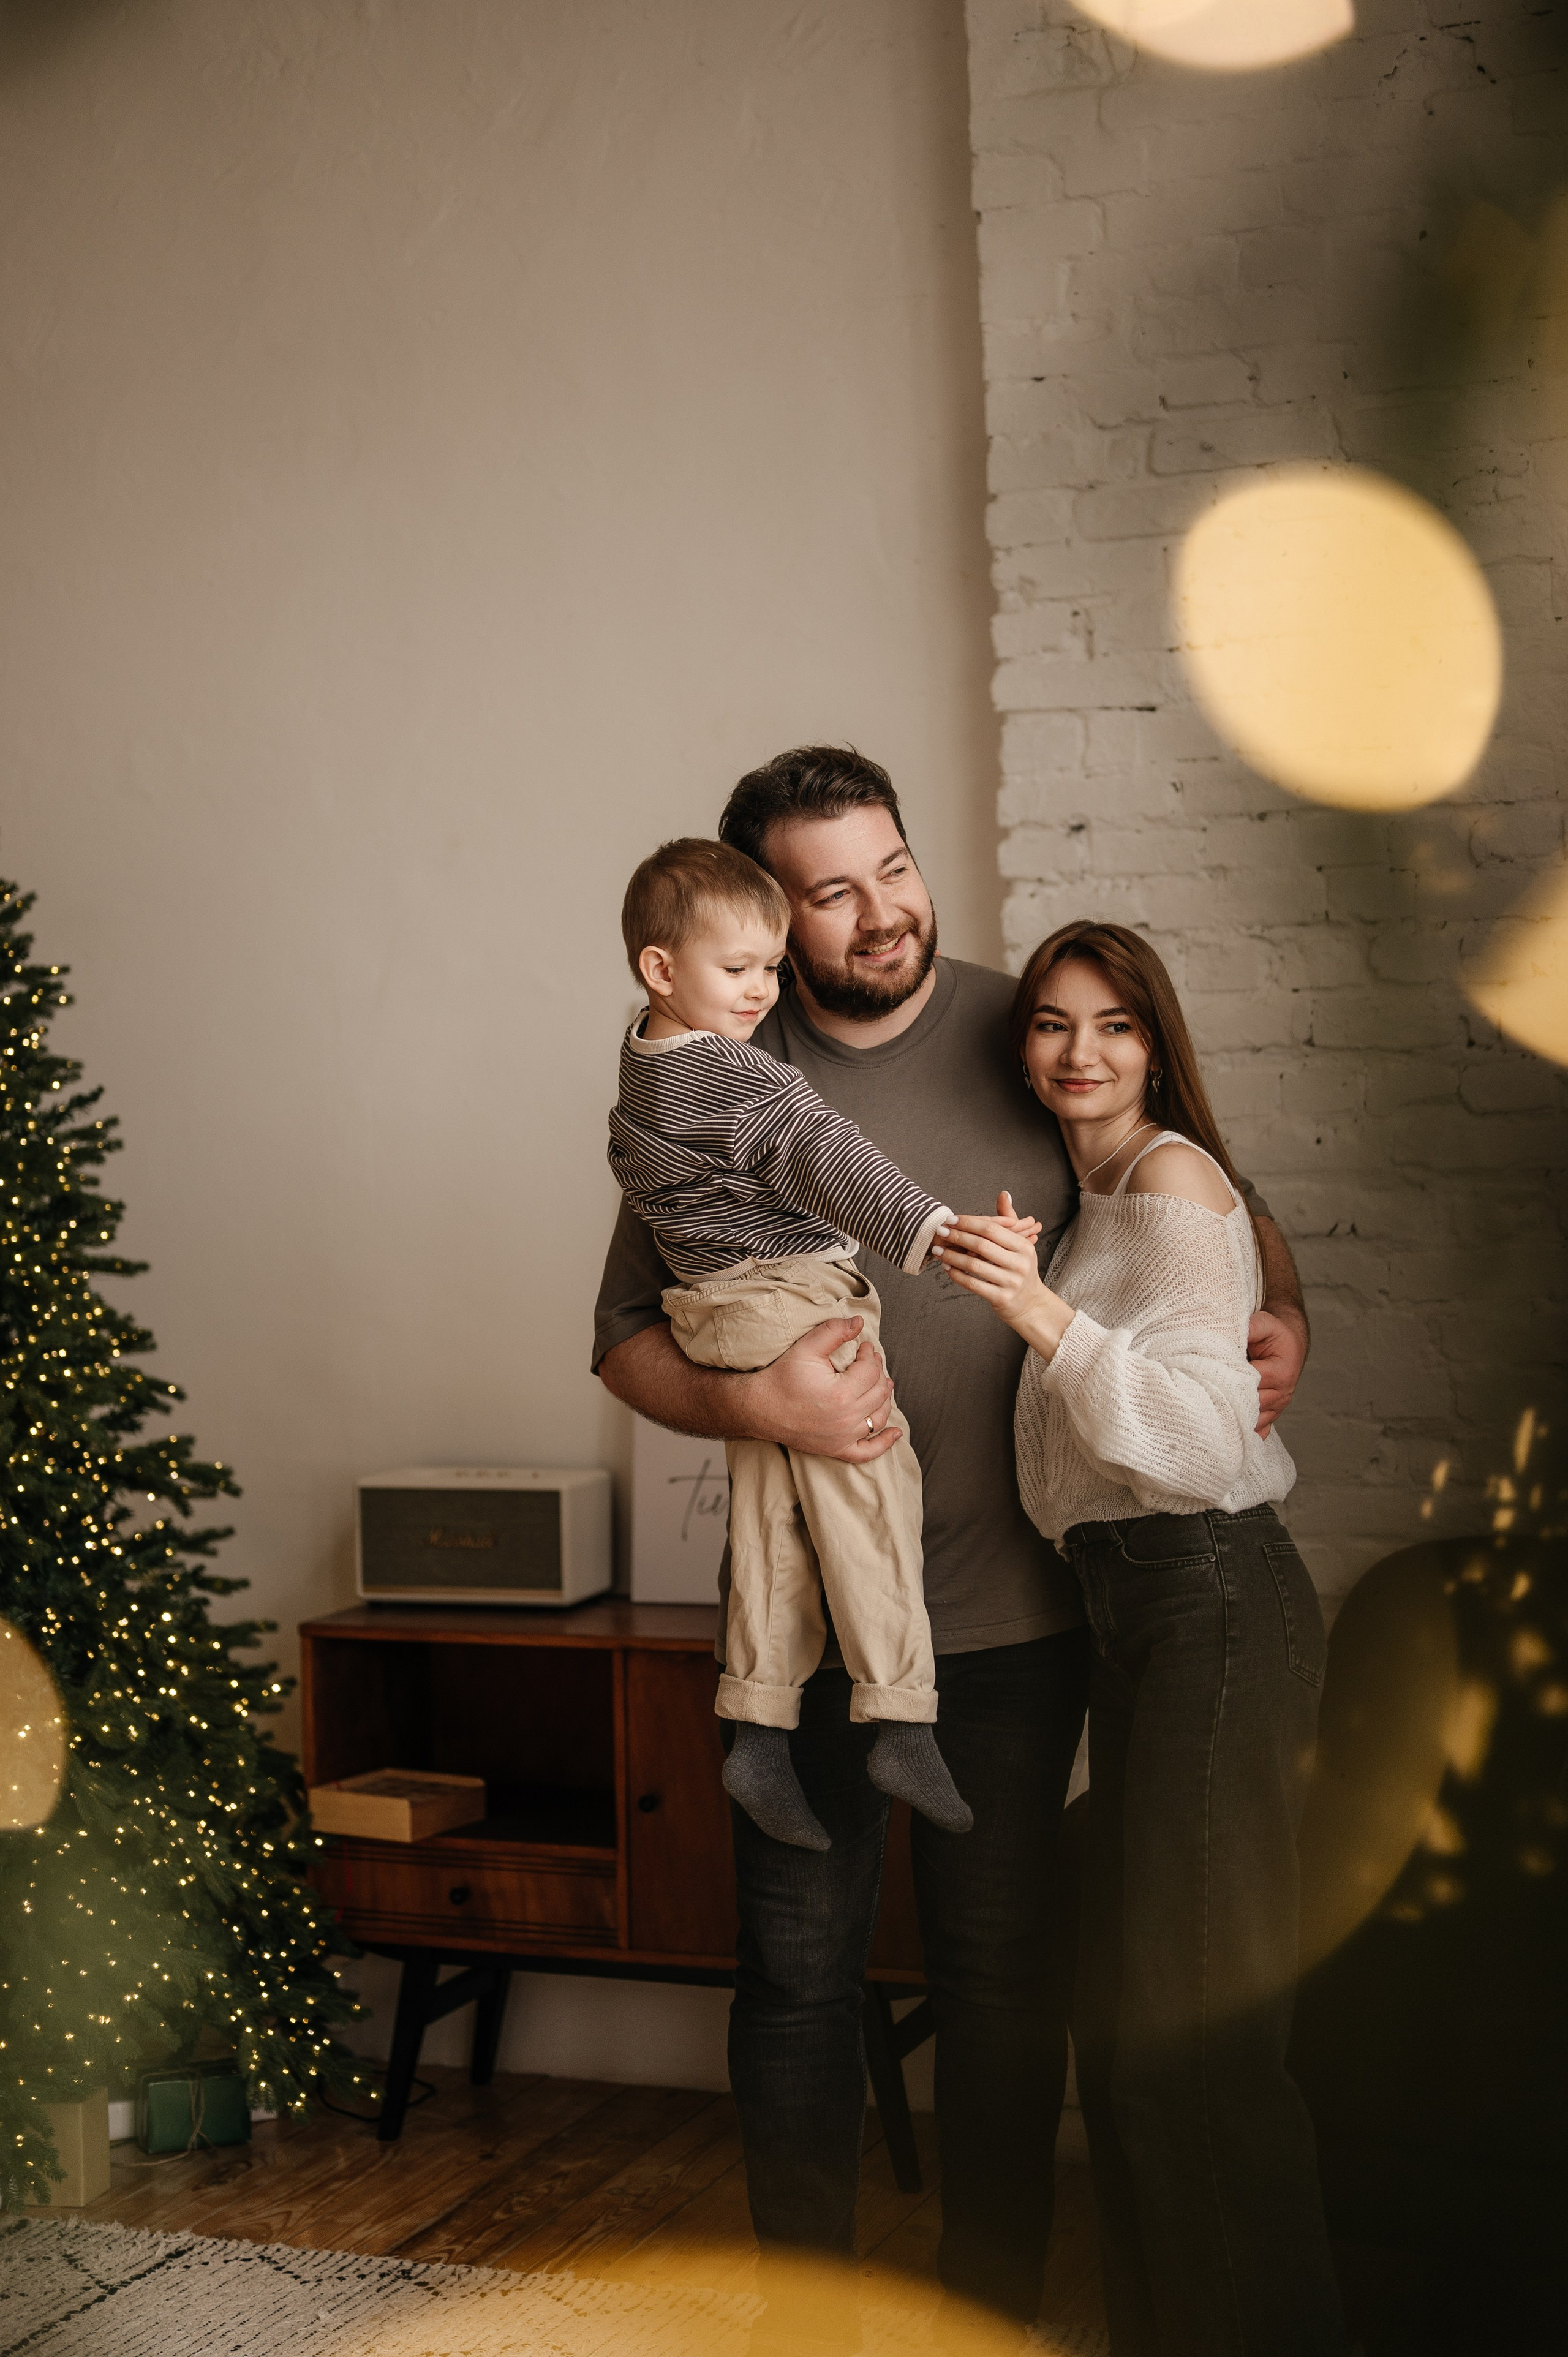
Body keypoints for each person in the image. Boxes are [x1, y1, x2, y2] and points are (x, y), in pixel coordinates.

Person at [592, 748, 1310, 2323]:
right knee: (792, 1986)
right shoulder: (713, 1063)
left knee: (1001, 1990)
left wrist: (1285, 1313)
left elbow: (1200, 1181)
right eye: (826, 891)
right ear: (756, 914)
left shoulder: (1019, 1024)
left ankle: (983, 2304)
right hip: (810, 1653)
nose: (877, 912)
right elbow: (629, 1338)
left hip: (1016, 1627)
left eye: (892, 868)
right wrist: (762, 1404)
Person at [933, 918, 1346, 2356]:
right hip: (1142, 1615)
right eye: (1051, 1023)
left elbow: (1186, 1443)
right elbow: (1233, 1260)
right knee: (1126, 2042)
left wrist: (1037, 1312)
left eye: (1110, 1026)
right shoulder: (1094, 1186)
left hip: (1208, 1593)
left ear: (1153, 1046)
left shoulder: (1161, 1183)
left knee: (1192, 2051)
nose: (1077, 1052)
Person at [610, 832, 1017, 1847]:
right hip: (788, 1297)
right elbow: (828, 1155)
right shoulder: (743, 1082)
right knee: (872, 1485)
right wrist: (938, 1233)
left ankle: (754, 1726)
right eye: (738, 969)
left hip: (715, 1310)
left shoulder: (644, 1062)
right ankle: (902, 1717)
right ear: (662, 969)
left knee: (770, 1522)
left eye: (770, 967)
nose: (762, 992)